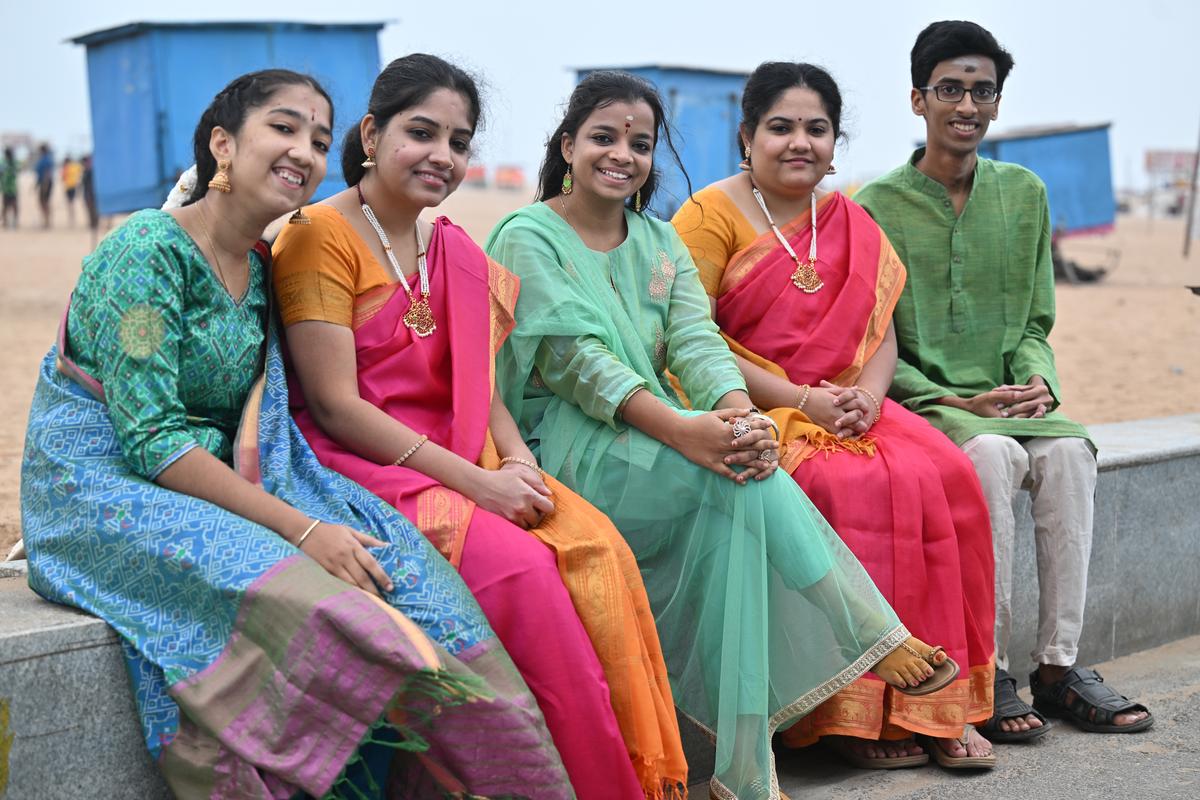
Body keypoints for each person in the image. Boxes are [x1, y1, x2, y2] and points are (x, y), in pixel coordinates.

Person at [20, 69, 572, 799]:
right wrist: (306, 529)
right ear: (223, 144)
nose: (305, 152)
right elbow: (151, 439)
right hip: (97, 485)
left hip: (220, 470)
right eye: (282, 128)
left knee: (414, 582)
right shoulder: (147, 254)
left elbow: (266, 412)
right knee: (326, 607)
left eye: (317, 139)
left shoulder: (258, 261)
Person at [486, 70, 960, 800]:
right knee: (735, 478)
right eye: (605, 138)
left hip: (650, 434)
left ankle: (748, 773)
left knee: (743, 484)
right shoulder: (529, 236)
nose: (623, 155)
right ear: (569, 144)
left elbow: (698, 344)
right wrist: (685, 431)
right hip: (563, 440)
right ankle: (865, 628)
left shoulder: (656, 240)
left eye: (640, 144)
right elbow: (576, 363)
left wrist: (741, 419)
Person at [272, 54, 684, 800]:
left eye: (459, 143)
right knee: (527, 575)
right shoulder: (318, 237)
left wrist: (519, 463)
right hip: (359, 466)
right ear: (371, 132)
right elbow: (336, 407)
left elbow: (483, 385)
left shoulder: (450, 247)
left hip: (467, 460)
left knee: (597, 551)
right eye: (422, 133)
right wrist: (479, 486)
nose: (443, 156)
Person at [671, 60, 997, 770]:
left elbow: (882, 332)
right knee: (840, 487)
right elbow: (687, 342)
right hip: (758, 406)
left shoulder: (850, 216)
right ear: (746, 135)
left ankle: (943, 708)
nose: (800, 143)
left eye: (816, 129)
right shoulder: (706, 217)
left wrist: (871, 399)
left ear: (833, 140)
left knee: (945, 473)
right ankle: (846, 715)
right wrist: (801, 400)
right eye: (781, 127)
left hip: (852, 405)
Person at [855, 20, 1153, 740]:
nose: (967, 105)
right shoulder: (874, 206)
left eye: (982, 91)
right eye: (950, 89)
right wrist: (957, 400)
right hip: (930, 406)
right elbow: (874, 340)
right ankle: (989, 668)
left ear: (996, 102)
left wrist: (1038, 382)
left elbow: (1033, 324)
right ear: (918, 99)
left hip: (1014, 403)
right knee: (992, 455)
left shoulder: (1024, 194)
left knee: (1072, 454)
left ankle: (1058, 667)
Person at [80, 153, 101, 244]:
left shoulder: (91, 171)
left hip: (91, 195)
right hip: (89, 194)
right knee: (91, 211)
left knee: (93, 211)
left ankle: (94, 225)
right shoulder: (88, 171)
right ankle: (93, 224)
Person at [34, 143, 53, 228]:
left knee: (44, 202)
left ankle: (47, 221)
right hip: (43, 182)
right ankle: (46, 220)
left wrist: (45, 185)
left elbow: (47, 173)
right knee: (43, 202)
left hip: (45, 183)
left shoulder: (46, 160)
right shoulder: (44, 159)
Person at [62, 155, 83, 226]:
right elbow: (81, 173)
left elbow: (63, 178)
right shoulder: (76, 166)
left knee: (70, 203)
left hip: (68, 187)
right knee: (73, 203)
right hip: (75, 186)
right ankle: (73, 218)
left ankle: (71, 218)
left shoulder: (66, 168)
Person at [1, 147, 18, 228]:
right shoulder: (3, 162)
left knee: (12, 205)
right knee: (6, 205)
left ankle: (13, 221)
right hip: (7, 187)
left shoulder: (13, 163)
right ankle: (5, 222)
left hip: (11, 187)